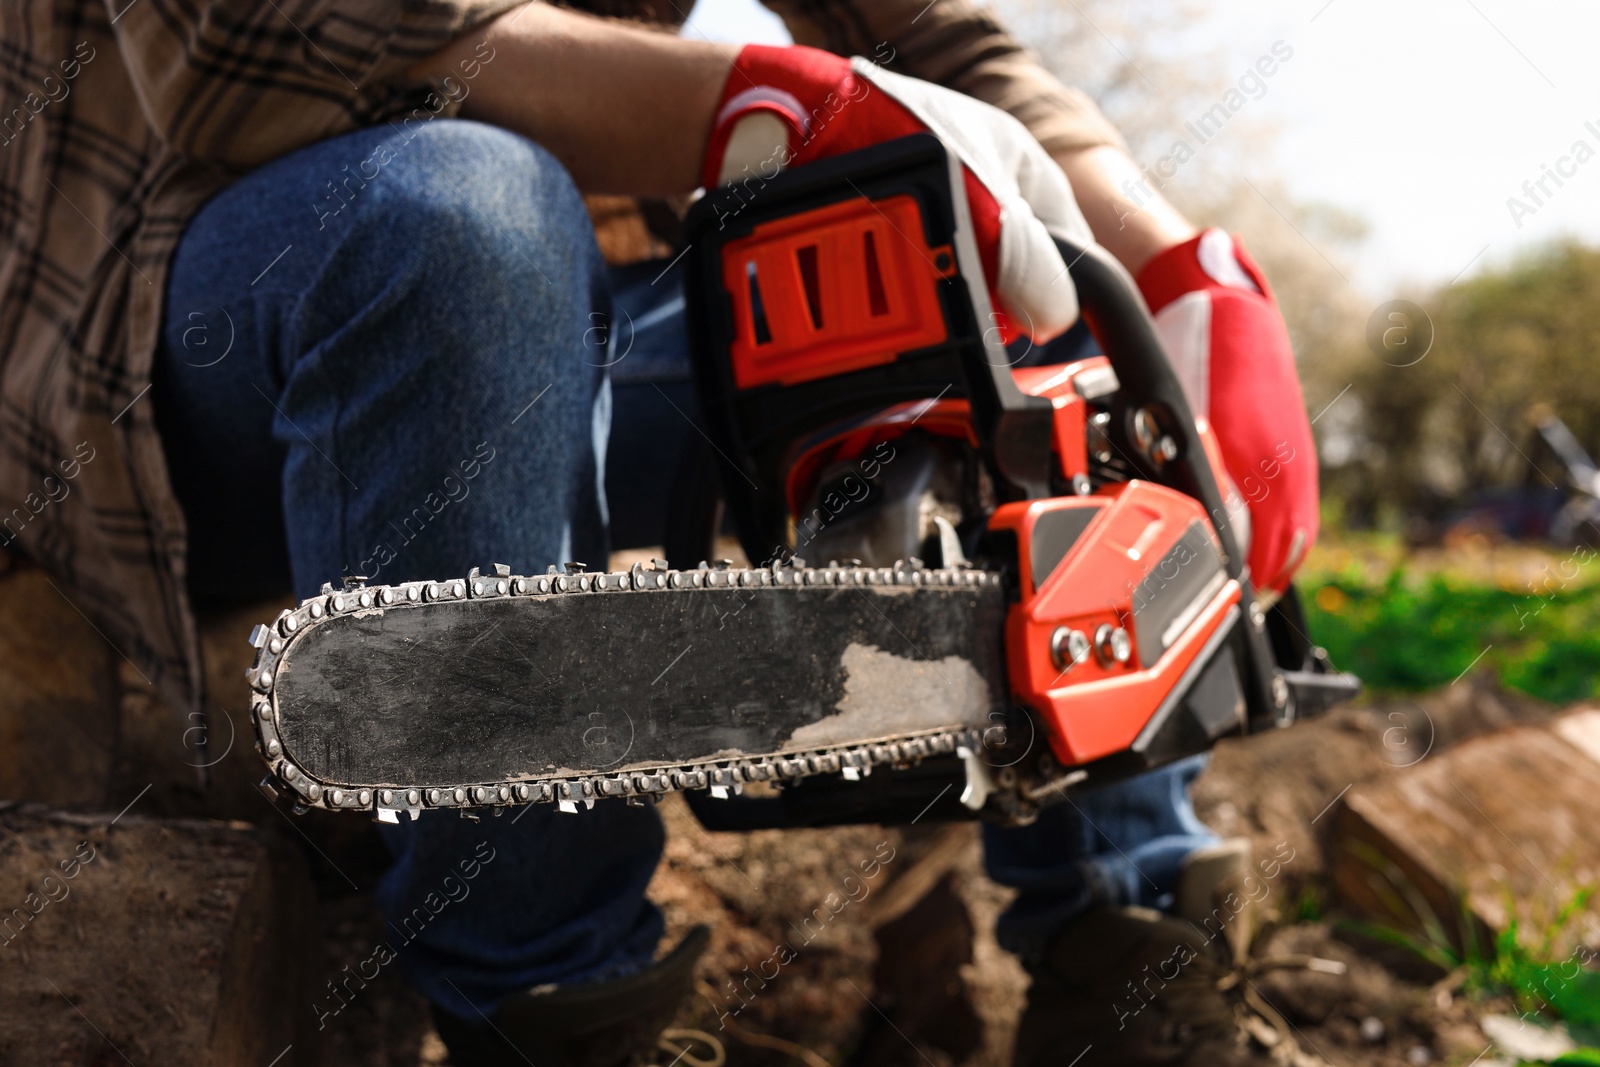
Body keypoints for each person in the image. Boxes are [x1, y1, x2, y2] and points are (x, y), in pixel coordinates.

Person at [0, 1, 1317, 1064]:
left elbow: (941, 45)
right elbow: (270, 35)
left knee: (1006, 258)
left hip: (555, 332)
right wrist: (750, 105)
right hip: (174, 329)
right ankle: (564, 999)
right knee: (467, 214)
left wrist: (1170, 264)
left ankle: (1131, 942)